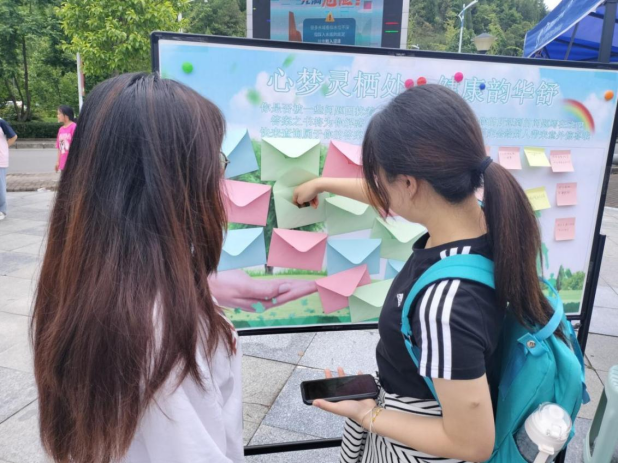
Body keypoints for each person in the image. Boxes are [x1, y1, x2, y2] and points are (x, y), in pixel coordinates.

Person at [293, 85, 563, 463]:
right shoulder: (488, 221)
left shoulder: (446, 304)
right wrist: (323, 183)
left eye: (381, 179)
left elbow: (471, 443)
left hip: (420, 447)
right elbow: (393, 195)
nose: (379, 190)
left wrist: (367, 414)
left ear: (409, 183)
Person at [34, 73, 256, 463]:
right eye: (216, 164)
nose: (221, 180)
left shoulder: (78, 284)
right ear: (171, 184)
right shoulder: (168, 328)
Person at [0, 118, 18, 221]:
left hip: (0, 159)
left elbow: (13, 136)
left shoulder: (1, 122)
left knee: (0, 186)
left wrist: (4, 147)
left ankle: (2, 210)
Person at [55, 105, 77, 173]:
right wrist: (58, 161)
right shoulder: (61, 129)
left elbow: (77, 146)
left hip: (73, 163)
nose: (57, 116)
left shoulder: (74, 127)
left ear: (66, 115)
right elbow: (60, 148)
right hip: (63, 163)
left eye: (59, 114)